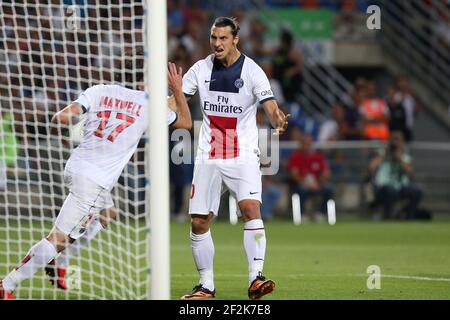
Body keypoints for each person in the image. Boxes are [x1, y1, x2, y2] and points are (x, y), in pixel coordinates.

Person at [0, 62, 192, 299]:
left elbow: (65, 115)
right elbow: (185, 123)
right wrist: (178, 90)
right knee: (58, 240)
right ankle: (7, 285)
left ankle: (60, 263)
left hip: (76, 166)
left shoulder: (99, 90)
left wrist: (63, 121)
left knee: (107, 213)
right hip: (93, 181)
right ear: (146, 79)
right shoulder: (149, 105)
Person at [175, 17, 289, 300]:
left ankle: (255, 279)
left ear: (235, 39)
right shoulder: (200, 69)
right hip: (208, 155)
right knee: (199, 222)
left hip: (242, 154)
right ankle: (206, 286)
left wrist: (277, 118)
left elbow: (271, 105)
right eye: (214, 38)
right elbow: (177, 102)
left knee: (251, 208)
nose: (217, 43)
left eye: (223, 38)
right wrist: (156, 101)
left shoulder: (252, 71)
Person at [368, 131, 423, 220]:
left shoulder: (405, 157)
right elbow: (371, 168)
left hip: (401, 187)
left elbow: (410, 172)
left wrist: (399, 158)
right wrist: (384, 153)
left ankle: (408, 215)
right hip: (384, 187)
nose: (395, 144)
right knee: (391, 191)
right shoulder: (382, 155)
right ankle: (388, 216)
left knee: (418, 191)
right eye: (394, 141)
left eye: (398, 141)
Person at [288, 132, 333, 221]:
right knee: (302, 190)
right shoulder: (296, 156)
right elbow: (293, 174)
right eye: (305, 143)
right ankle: (302, 214)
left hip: (317, 183)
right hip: (302, 183)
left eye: (309, 143)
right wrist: (306, 183)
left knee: (328, 189)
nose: (307, 145)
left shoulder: (318, 157)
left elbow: (326, 172)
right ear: (301, 144)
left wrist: (318, 183)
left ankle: (320, 213)